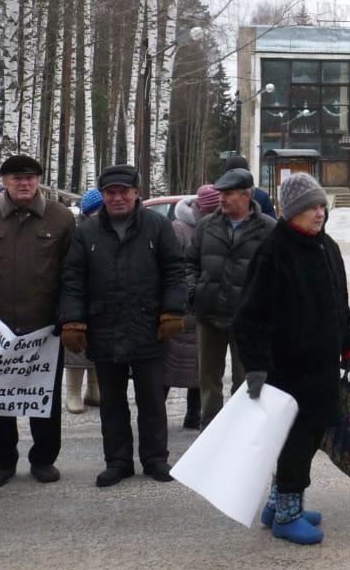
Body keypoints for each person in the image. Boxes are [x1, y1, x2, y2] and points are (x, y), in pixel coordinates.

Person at [234, 173, 350, 545]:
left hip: (321, 365)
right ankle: (288, 513)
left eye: (321, 206)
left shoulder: (327, 247)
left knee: (307, 434)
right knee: (297, 439)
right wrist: (255, 365)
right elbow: (250, 316)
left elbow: (341, 302)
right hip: (285, 368)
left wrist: (348, 344)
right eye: (309, 208)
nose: (318, 213)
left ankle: (279, 504)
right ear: (291, 212)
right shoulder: (273, 251)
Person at [59, 165, 186, 487]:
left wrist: (172, 311)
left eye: (123, 191)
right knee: (111, 403)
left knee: (152, 400)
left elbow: (174, 271)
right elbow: (73, 279)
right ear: (102, 195)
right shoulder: (86, 232)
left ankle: (155, 459)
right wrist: (73, 320)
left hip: (148, 326)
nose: (117, 198)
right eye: (110, 192)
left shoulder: (158, 227)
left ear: (136, 193)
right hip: (105, 327)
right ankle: (118, 462)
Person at [0, 155, 76, 488]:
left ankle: (44, 460)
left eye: (31, 177)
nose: (25, 183)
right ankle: (3, 462)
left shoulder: (61, 218)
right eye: (17, 178)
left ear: (38, 180)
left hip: (45, 331)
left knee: (43, 401)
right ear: (4, 182)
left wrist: (66, 315)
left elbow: (72, 273)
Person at [187, 169, 276, 428]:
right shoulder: (206, 225)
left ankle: (242, 434)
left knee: (246, 382)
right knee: (208, 382)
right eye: (220, 194)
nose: (222, 199)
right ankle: (210, 433)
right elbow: (188, 263)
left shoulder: (268, 229)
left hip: (248, 322)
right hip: (209, 313)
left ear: (247, 195)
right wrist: (194, 292)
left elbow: (279, 274)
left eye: (228, 194)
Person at [162, 191, 204, 430]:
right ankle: (160, 412)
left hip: (194, 306)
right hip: (181, 306)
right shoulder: (179, 229)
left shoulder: (202, 228)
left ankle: (193, 413)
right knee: (173, 363)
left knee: (195, 366)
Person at [63, 189, 102, 414]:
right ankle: (73, 392)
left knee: (99, 346)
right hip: (79, 296)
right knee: (76, 347)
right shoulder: (78, 234)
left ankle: (94, 390)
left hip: (102, 297)